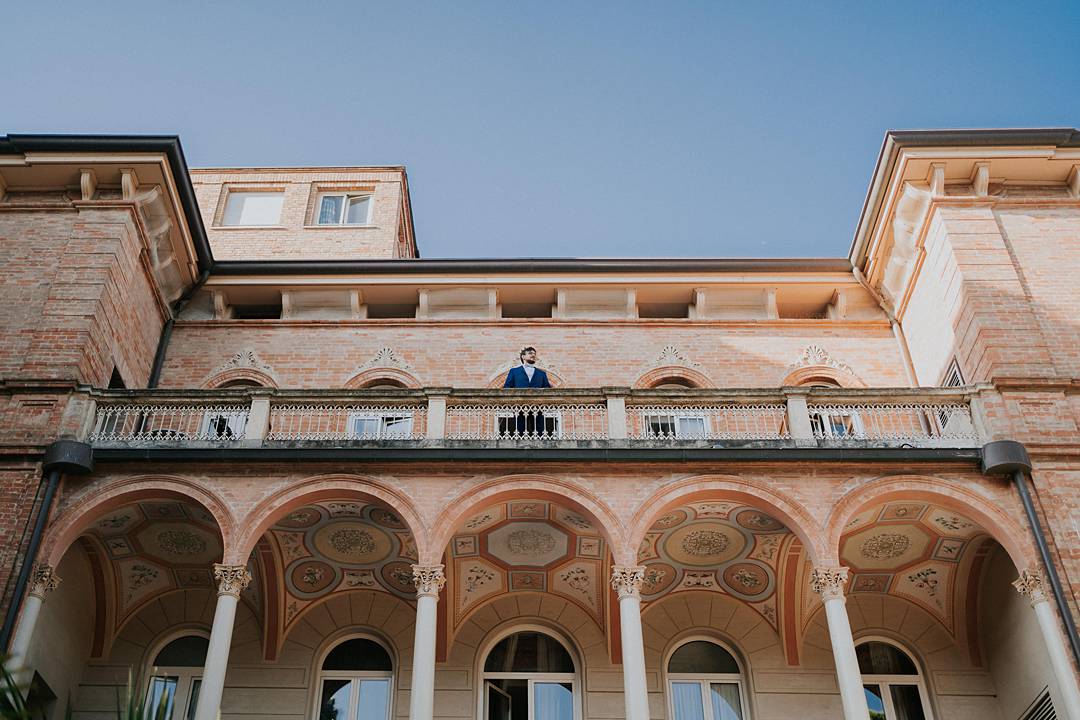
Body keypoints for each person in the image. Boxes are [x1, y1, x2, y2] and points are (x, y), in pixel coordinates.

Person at [502, 347, 552, 437]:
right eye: (530, 353)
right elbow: (507, 388)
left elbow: (547, 390)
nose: (533, 355)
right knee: (519, 434)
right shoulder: (514, 371)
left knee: (540, 434)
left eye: (534, 353)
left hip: (538, 408)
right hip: (519, 407)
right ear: (523, 357)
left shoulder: (542, 373)